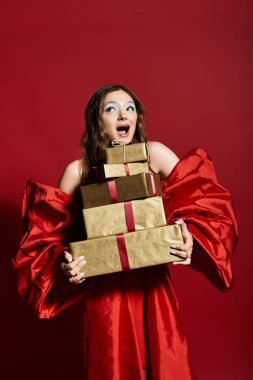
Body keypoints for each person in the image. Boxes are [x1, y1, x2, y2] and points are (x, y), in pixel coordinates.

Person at [13, 84, 238, 380]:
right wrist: (67, 267)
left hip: (151, 286)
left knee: (163, 366)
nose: (123, 114)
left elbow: (208, 200)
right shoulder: (78, 172)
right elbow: (46, 241)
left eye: (130, 108)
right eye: (111, 109)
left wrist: (191, 237)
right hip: (106, 295)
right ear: (97, 121)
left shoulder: (153, 155)